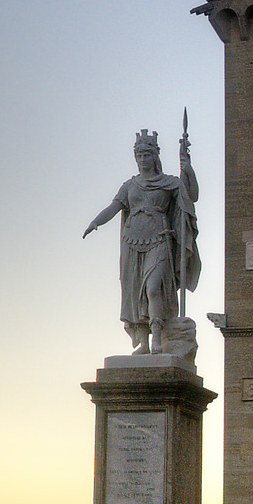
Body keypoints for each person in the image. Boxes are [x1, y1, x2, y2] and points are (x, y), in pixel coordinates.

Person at [85, 129, 200, 355]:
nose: (142, 160)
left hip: (159, 240)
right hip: (132, 243)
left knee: (153, 287)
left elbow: (191, 195)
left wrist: (187, 168)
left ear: (155, 156)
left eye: (146, 155)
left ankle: (157, 339)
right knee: (136, 293)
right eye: (139, 156)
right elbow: (114, 207)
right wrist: (95, 222)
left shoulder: (169, 183)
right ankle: (144, 344)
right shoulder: (130, 186)